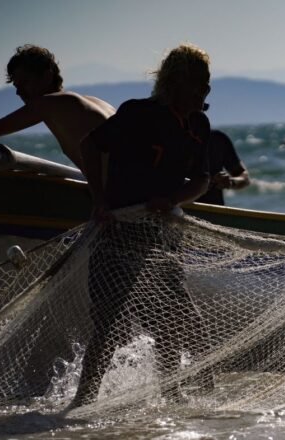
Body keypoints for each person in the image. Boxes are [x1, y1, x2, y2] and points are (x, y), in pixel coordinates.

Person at [71, 44, 213, 407]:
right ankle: (83, 402)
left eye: (208, 85)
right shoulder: (137, 114)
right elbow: (90, 146)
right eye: (199, 85)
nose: (205, 93)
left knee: (176, 319)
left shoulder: (198, 124)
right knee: (108, 327)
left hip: (162, 237)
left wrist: (174, 199)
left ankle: (171, 394)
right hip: (118, 231)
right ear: (176, 82)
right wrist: (99, 199)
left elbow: (201, 180)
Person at [0, 45, 115, 170]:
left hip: (125, 198)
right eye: (16, 85)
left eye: (25, 83)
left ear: (47, 75)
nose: (18, 92)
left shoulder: (51, 104)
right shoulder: (95, 103)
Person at [196, 130, 251, 205]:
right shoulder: (175, 140)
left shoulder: (218, 139)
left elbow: (245, 179)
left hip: (215, 210)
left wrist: (231, 182)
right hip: (179, 209)